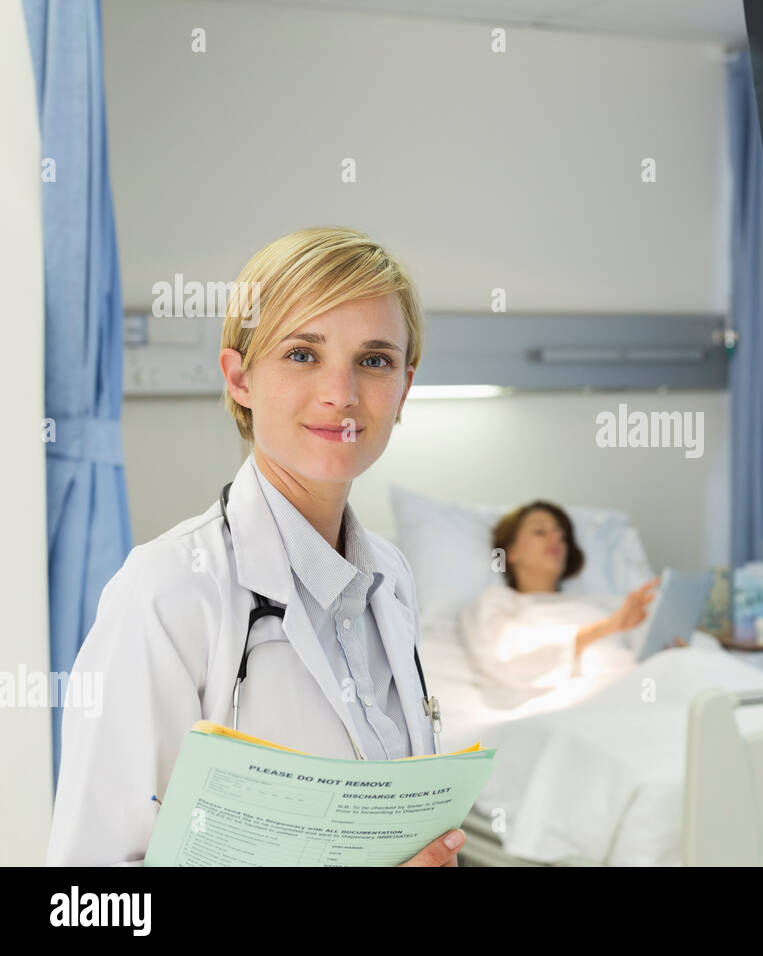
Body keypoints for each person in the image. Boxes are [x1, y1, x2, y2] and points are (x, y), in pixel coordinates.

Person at [48, 227, 463, 867]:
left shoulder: (391, 579)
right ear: (240, 377)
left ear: (405, 387)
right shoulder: (168, 593)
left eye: (374, 360)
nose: (342, 393)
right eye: (302, 354)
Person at [459, 501, 659, 708]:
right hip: (571, 703)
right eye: (539, 532)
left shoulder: (602, 603)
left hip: (641, 690)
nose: (555, 539)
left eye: (562, 536)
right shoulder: (495, 602)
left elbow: (646, 652)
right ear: (510, 552)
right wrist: (606, 627)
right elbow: (506, 658)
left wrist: (669, 647)